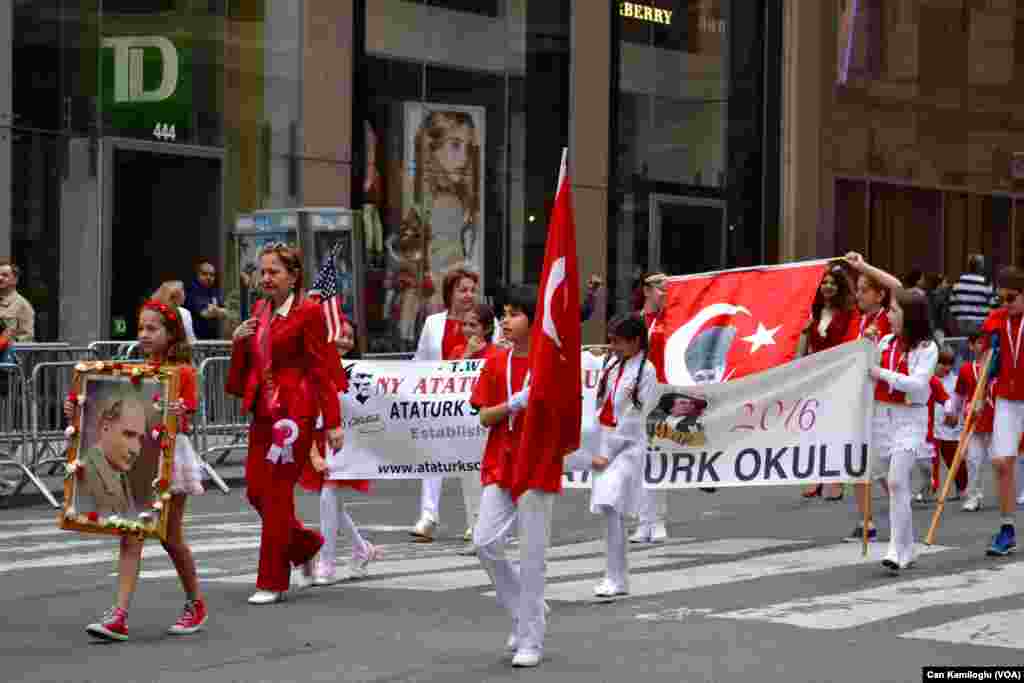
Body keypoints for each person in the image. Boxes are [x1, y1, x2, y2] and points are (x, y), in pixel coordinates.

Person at [70, 299, 208, 640]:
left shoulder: (184, 373)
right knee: (130, 534)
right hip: (142, 459)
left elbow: (188, 419)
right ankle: (119, 615)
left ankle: (196, 603)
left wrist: (180, 411)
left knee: (170, 538)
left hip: (171, 459)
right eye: (141, 328)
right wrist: (78, 405)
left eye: (152, 329)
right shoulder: (138, 373)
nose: (144, 335)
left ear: (171, 334)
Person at [226, 243, 343, 604]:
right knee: (256, 491)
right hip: (263, 409)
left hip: (295, 412)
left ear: (293, 277)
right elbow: (246, 367)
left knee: (276, 495)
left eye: (274, 271)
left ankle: (271, 581)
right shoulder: (259, 310)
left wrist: (334, 421)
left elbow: (323, 367)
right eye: (263, 272)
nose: (266, 278)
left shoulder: (308, 312)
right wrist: (238, 342)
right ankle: (305, 546)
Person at [471, 284, 558, 668]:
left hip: (536, 462)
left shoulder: (551, 363)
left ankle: (531, 640)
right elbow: (484, 416)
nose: (505, 321)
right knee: (485, 542)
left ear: (534, 320)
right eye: (503, 314)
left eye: (514, 314)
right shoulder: (495, 362)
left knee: (532, 553)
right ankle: (528, 611)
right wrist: (512, 404)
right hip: (501, 461)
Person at [845, 252, 938, 573]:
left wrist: (881, 374)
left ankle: (897, 550)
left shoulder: (927, 348)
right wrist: (866, 346)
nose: (891, 317)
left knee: (898, 482)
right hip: (881, 417)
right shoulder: (884, 340)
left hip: (910, 419)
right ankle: (907, 544)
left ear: (910, 316)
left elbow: (916, 384)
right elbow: (863, 365)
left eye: (896, 312)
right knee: (889, 481)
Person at [300, 317, 380, 584]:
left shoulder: (359, 372)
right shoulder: (314, 367)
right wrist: (312, 451)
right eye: (340, 334)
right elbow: (305, 412)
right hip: (319, 437)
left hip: (346, 440)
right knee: (332, 503)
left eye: (350, 336)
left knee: (328, 497)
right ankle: (361, 549)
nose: (345, 341)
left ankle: (327, 562)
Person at [410, 266, 480, 542]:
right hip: (438, 402)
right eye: (462, 289)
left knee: (470, 462)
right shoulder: (433, 323)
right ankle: (428, 517)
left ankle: (475, 520)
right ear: (450, 292)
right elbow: (421, 361)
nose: (468, 295)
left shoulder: (487, 321)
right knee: (431, 457)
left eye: (472, 290)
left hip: (472, 404)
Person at [590, 314, 657, 599]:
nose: (612, 346)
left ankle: (616, 577)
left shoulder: (647, 371)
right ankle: (615, 575)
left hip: (626, 448)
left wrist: (608, 452)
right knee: (609, 510)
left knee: (610, 504)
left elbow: (634, 418)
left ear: (636, 341)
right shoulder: (613, 364)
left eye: (618, 341)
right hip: (604, 440)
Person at [800, 264, 860, 499]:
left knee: (836, 427)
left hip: (839, 375)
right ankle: (816, 476)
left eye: (833, 283)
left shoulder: (849, 312)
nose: (828, 287)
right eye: (824, 283)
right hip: (816, 376)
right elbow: (804, 348)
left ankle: (835, 478)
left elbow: (850, 342)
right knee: (815, 426)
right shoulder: (813, 312)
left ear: (841, 287)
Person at [977, 265, 1024, 555]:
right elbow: (984, 358)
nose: (1005, 304)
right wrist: (979, 394)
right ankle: (1007, 528)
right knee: (1001, 463)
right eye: (1001, 298)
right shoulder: (996, 319)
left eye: (1011, 298)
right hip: (1006, 397)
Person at [450, 303, 497, 553]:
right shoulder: (457, 350)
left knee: (484, 480)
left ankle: (486, 530)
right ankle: (474, 528)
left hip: (486, 424)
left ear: (487, 328)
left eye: (473, 325)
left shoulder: (495, 353)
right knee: (467, 478)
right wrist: (466, 356)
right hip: (461, 426)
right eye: (464, 324)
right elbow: (444, 380)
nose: (467, 329)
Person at [631, 272, 671, 544]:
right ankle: (643, 521)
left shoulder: (672, 320)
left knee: (657, 457)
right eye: (660, 288)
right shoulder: (634, 320)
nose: (665, 293)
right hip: (636, 397)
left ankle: (658, 520)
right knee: (638, 461)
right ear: (647, 290)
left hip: (664, 395)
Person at [951, 333, 994, 512]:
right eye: (977, 342)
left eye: (984, 342)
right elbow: (959, 394)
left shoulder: (995, 367)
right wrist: (952, 412)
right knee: (973, 461)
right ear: (970, 346)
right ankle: (973, 496)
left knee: (1002, 460)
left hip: (994, 419)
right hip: (974, 421)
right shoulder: (966, 369)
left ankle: (1013, 491)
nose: (981, 345)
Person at [931, 347, 966, 502]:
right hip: (930, 424)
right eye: (943, 363)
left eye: (950, 364)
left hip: (949, 426)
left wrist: (956, 416)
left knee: (952, 458)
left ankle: (963, 488)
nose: (947, 368)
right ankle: (929, 488)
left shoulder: (955, 380)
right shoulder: (928, 378)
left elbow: (960, 401)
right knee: (929, 459)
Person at [948, 254, 993, 337]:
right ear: (981, 267)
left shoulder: (958, 281)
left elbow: (951, 304)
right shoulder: (986, 283)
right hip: (980, 323)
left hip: (961, 323)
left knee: (963, 347)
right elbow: (993, 305)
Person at [185, 259, 227, 340]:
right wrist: (219, 311)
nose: (208, 277)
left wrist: (216, 310)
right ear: (197, 275)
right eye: (204, 274)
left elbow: (227, 312)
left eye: (212, 275)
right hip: (196, 339)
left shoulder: (214, 291)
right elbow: (205, 314)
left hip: (212, 338)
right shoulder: (192, 290)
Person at [0, 257, 35, 343]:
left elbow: (27, 338)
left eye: (5, 275)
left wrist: (5, 344)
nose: (0, 278)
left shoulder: (22, 305)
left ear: (15, 280)